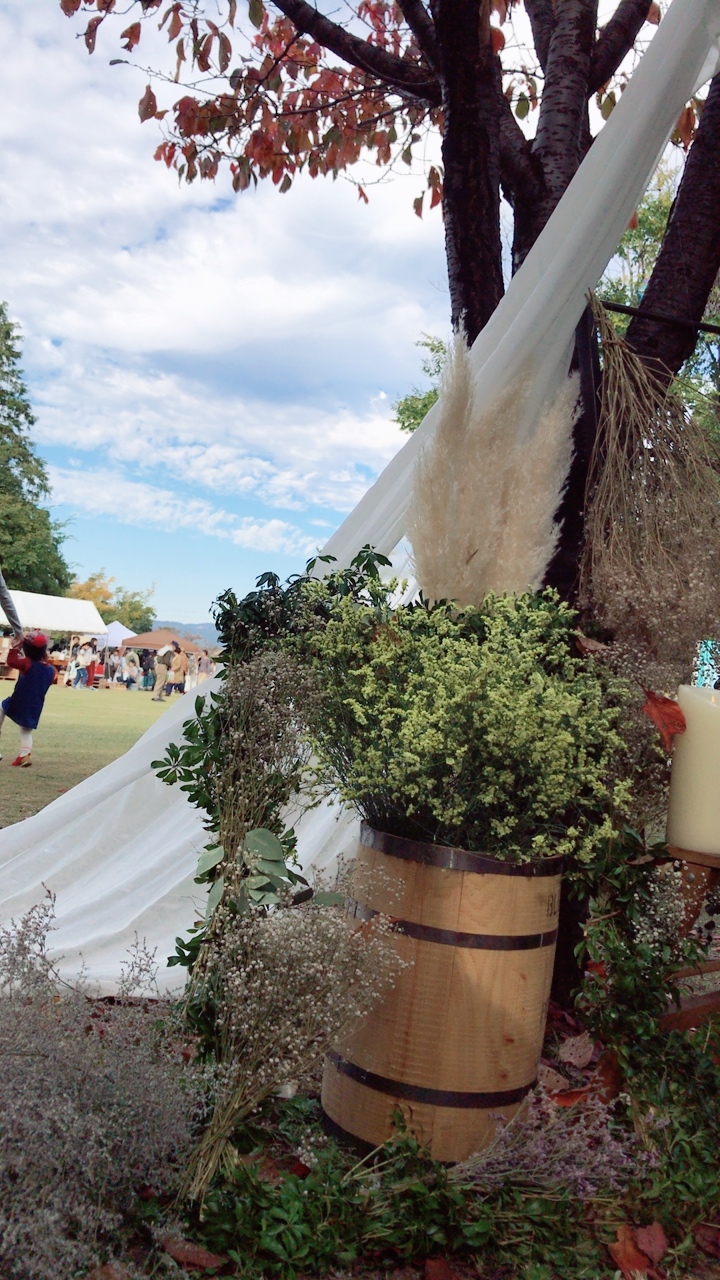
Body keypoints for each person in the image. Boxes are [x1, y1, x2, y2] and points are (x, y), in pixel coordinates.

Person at [0, 632, 57, 766]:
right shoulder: (52, 670)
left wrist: (15, 648)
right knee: (26, 730)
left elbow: (11, 661)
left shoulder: (27, 663)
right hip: (35, 704)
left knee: (1, 707)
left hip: (19, 700)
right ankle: (25, 754)